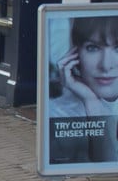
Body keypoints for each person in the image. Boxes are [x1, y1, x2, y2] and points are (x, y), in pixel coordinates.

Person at [48, 15, 118, 164]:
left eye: (117, 49)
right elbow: (106, 164)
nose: (106, 65)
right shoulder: (57, 113)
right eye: (93, 48)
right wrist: (91, 102)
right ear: (75, 54)